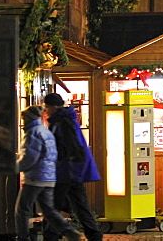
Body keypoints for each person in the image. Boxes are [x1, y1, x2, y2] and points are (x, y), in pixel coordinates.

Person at [42, 93, 103, 241]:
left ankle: (51, 236)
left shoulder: (62, 122)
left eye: (47, 107)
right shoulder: (65, 119)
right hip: (72, 170)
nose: (46, 111)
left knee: (54, 205)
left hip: (66, 170)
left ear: (53, 107)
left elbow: (69, 146)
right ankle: (94, 234)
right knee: (79, 204)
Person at [15, 106, 81, 241]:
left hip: (35, 178)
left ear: (28, 118)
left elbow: (30, 158)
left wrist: (15, 167)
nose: (23, 122)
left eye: (23, 119)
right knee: (49, 211)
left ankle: (22, 237)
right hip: (48, 178)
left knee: (22, 210)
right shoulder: (45, 132)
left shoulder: (33, 133)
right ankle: (71, 233)